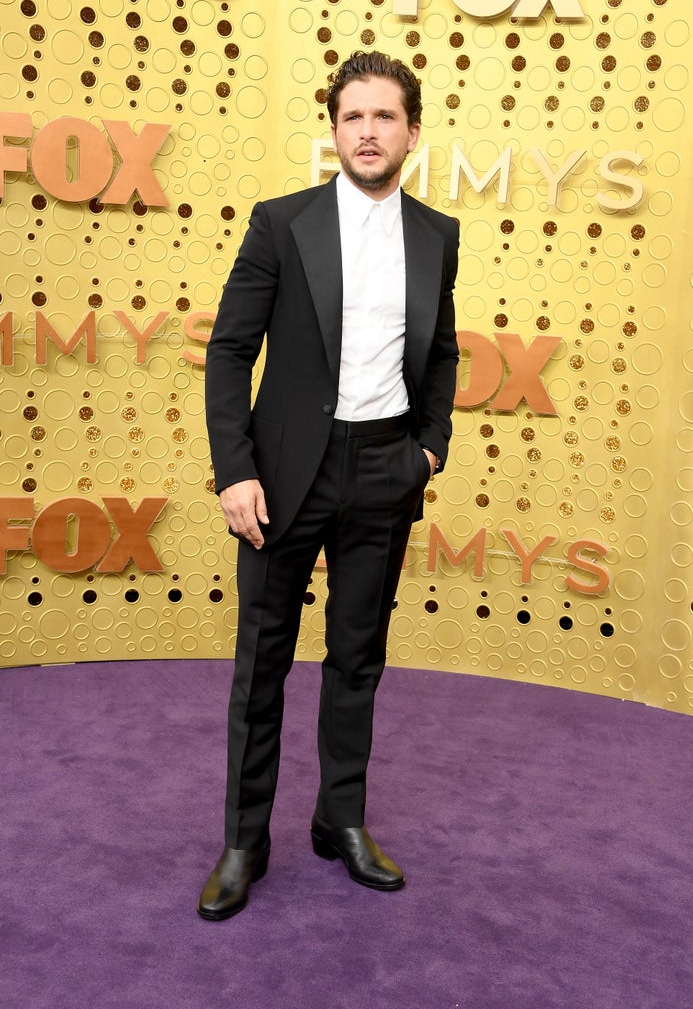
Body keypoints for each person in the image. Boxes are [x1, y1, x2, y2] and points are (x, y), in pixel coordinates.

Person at [197, 50, 459, 920]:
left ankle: (338, 822)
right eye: (353, 117)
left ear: (411, 132)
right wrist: (235, 470)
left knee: (358, 660)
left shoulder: (437, 234)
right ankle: (244, 840)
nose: (368, 131)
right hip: (283, 479)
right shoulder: (282, 223)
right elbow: (231, 351)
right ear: (335, 130)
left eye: (385, 117)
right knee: (261, 664)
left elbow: (442, 350)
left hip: (385, 471)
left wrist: (429, 448)